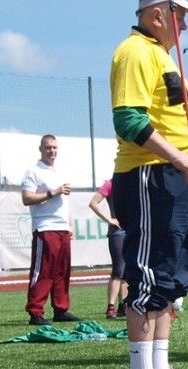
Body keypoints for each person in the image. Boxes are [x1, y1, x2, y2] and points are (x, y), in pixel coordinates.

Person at [109, 0, 188, 369]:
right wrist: (178, 157)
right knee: (149, 273)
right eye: (179, 16)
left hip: (177, 176)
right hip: (152, 175)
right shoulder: (134, 52)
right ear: (157, 15)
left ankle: (161, 368)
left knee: (171, 275)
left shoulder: (161, 56)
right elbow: (128, 120)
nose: (184, 25)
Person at [20, 134, 79, 325]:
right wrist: (52, 193)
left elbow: (64, 201)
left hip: (62, 227)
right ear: (40, 149)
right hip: (45, 227)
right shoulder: (33, 171)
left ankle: (61, 309)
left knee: (62, 271)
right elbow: (26, 198)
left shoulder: (61, 171)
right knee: (44, 270)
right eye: (48, 147)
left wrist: (69, 223)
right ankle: (35, 311)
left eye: (54, 147)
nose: (51, 151)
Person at [87, 177, 128, 318]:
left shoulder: (132, 182)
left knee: (127, 271)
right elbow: (93, 203)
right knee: (118, 270)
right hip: (118, 232)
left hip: (131, 230)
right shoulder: (111, 184)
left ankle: (123, 305)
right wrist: (109, 220)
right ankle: (111, 306)